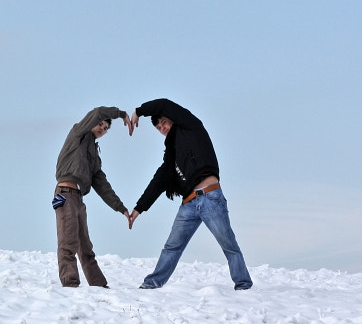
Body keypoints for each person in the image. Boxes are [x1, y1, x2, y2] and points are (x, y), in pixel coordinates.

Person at [127, 98, 252, 290]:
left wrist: (139, 111)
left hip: (210, 197)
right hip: (189, 204)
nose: (163, 127)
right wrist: (139, 208)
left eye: (165, 122)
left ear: (173, 119)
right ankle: (151, 285)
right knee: (172, 247)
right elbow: (159, 180)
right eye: (159, 127)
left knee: (228, 244)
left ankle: (243, 285)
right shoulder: (171, 153)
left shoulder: (191, 126)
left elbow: (165, 104)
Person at [53, 106, 132, 288]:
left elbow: (102, 185)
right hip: (65, 194)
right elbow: (98, 112)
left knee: (86, 247)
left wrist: (121, 208)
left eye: (105, 128)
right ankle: (70, 285)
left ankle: (99, 287)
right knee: (68, 242)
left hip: (79, 199)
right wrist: (121, 114)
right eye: (100, 125)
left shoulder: (93, 156)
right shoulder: (77, 134)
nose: (102, 129)